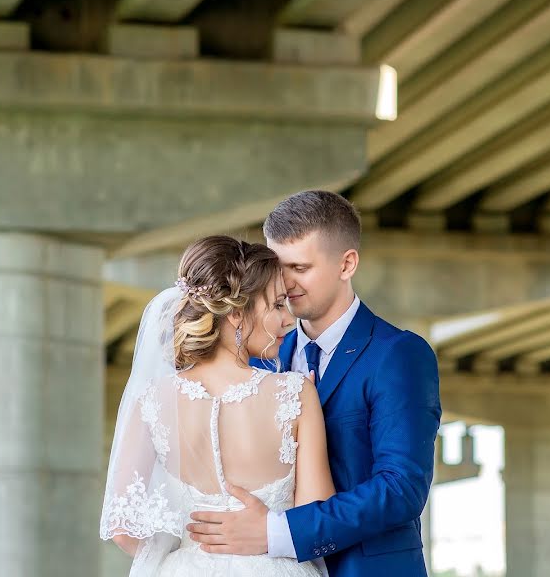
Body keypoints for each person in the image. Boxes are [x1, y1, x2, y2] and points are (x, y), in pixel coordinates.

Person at [187, 191, 441, 577]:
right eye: (279, 266)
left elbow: (401, 488)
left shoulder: (398, 355)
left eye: (301, 267)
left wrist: (277, 533)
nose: (285, 283)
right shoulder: (257, 355)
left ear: (347, 264)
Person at [100, 235, 336, 576]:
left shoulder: (152, 399)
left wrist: (185, 559)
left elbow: (123, 528)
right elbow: (318, 516)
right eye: (277, 305)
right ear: (237, 315)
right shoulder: (296, 394)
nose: (289, 320)